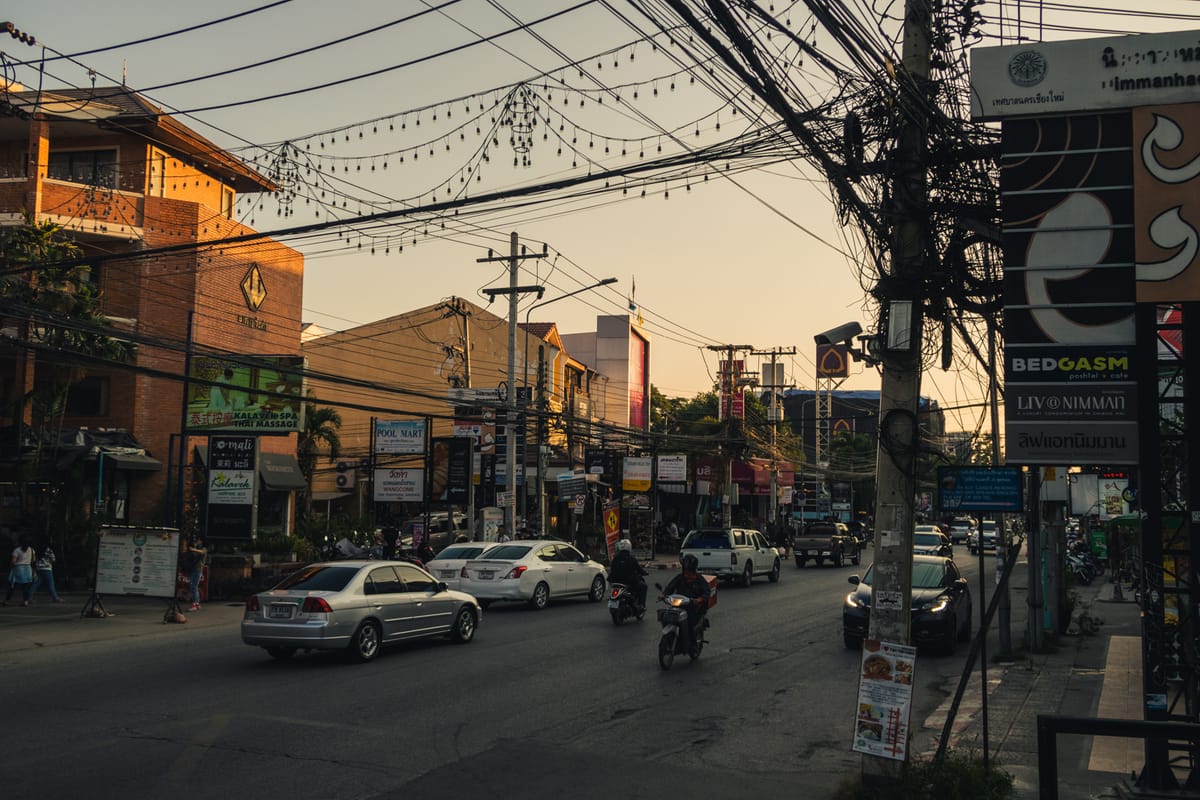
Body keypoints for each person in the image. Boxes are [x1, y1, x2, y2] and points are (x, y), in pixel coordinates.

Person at [661, 554, 711, 654]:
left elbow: (707, 592)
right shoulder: (680, 577)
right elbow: (670, 587)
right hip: (679, 605)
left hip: (693, 607)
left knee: (689, 623)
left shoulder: (699, 579)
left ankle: (692, 645)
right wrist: (664, 595)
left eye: (689, 570)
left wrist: (699, 600)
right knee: (665, 615)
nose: (687, 572)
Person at [607, 538, 648, 611]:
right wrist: (645, 573)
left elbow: (612, 570)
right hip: (629, 581)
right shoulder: (631, 559)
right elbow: (638, 569)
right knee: (643, 586)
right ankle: (641, 605)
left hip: (615, 581)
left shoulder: (615, 558)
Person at [4, 534, 35, 606]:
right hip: (28, 569)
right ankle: (25, 601)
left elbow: (13, 562)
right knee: (26, 587)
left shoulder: (17, 550)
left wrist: (10, 568)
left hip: (18, 568)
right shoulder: (32, 550)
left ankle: (7, 600)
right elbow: (33, 560)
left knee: (12, 585)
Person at [185, 537, 207, 611]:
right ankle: (196, 603)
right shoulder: (196, 549)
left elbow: (202, 552)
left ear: (201, 541)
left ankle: (194, 603)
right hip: (194, 569)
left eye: (198, 540)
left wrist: (193, 549)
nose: (197, 542)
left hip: (198, 570)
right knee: (193, 587)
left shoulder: (204, 549)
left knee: (194, 587)